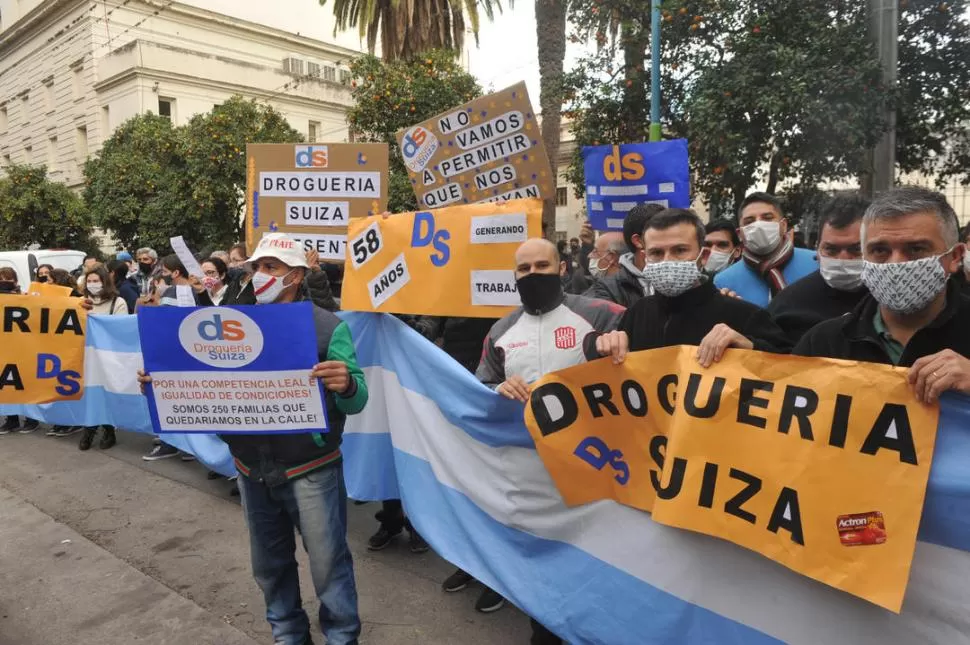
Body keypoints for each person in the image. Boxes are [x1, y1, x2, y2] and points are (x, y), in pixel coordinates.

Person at [139, 232, 367, 645]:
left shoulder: (328, 326)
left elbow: (358, 400)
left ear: (296, 276)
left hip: (310, 468)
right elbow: (201, 377)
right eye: (256, 267)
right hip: (250, 467)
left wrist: (347, 384)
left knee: (327, 562)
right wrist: (163, 385)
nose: (259, 275)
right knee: (269, 564)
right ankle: (288, 634)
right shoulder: (231, 320)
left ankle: (342, 636)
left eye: (271, 268)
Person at [474, 237, 624, 643]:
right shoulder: (501, 330)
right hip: (531, 479)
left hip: (595, 473)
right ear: (515, 275)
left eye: (542, 265)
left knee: (596, 572)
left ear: (561, 268)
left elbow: (653, 352)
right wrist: (497, 390)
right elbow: (481, 387)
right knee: (541, 574)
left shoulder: (604, 314)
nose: (533, 274)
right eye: (524, 269)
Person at [793, 186, 970, 404]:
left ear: (954, 257)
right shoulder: (823, 343)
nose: (895, 263)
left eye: (915, 249)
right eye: (880, 250)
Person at [592, 209, 790, 368]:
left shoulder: (744, 315)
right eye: (657, 252)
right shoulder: (637, 314)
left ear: (703, 257)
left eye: (680, 250)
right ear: (645, 258)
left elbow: (792, 369)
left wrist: (749, 345)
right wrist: (607, 348)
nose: (667, 260)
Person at [767, 192, 871, 344]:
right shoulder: (788, 305)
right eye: (831, 249)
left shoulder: (893, 303)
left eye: (856, 249)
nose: (842, 259)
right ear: (817, 250)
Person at [714, 192, 818, 306]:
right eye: (749, 221)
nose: (759, 225)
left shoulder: (816, 263)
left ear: (783, 226)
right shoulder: (723, 282)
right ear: (740, 234)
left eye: (767, 218)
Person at [77, 265, 129, 451]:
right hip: (85, 356)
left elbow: (120, 329)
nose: (92, 284)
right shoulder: (79, 302)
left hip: (108, 357)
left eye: (96, 281)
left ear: (105, 282)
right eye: (89, 281)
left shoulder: (118, 302)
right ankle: (89, 428)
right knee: (89, 393)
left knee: (105, 393)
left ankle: (108, 430)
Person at [584, 203, 665, 307]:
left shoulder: (682, 280)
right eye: (663, 235)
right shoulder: (607, 290)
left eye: (681, 250)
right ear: (638, 241)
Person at [0, 268, 40, 435]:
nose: (4, 282)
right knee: (7, 384)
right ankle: (11, 419)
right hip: (5, 348)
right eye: (1, 279)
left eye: (7, 279)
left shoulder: (26, 298)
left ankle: (31, 419)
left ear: (15, 281)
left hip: (23, 348)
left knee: (25, 384)